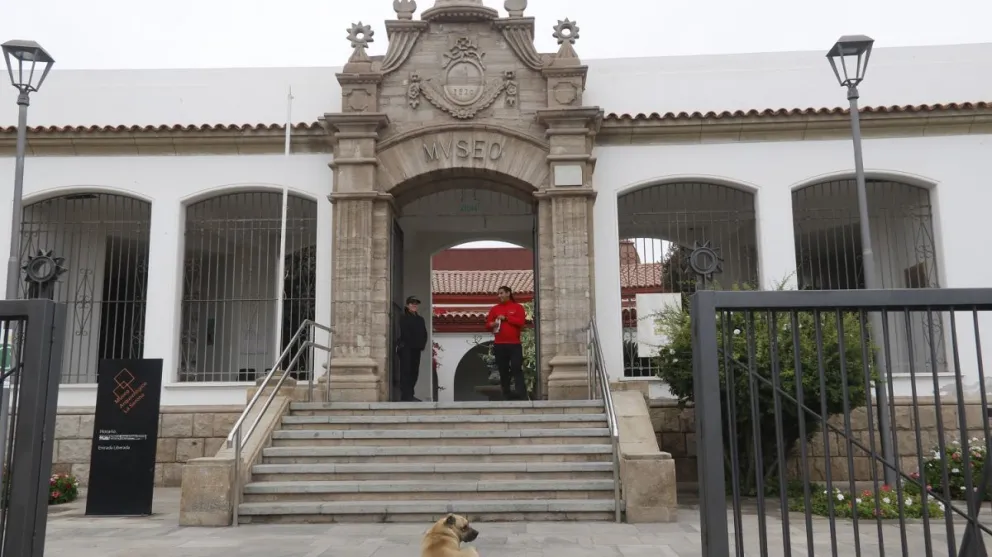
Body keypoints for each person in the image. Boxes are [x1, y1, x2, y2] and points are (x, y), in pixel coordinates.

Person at [484, 286, 528, 400]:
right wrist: (492, 324)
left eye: (502, 293)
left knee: (516, 368)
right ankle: (506, 394)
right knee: (503, 370)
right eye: (498, 294)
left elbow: (521, 322)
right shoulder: (495, 309)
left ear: (508, 293)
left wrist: (507, 318)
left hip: (514, 344)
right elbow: (487, 324)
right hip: (499, 344)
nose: (499, 296)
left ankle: (522, 394)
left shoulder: (518, 308)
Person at [397, 295, 428, 402]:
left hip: (416, 349)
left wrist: (422, 345)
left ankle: (410, 394)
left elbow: (424, 333)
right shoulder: (404, 317)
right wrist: (412, 344)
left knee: (414, 372)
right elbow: (405, 333)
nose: (414, 305)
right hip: (407, 348)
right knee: (406, 371)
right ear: (407, 305)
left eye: (416, 303)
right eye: (412, 303)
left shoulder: (420, 319)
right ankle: (406, 396)